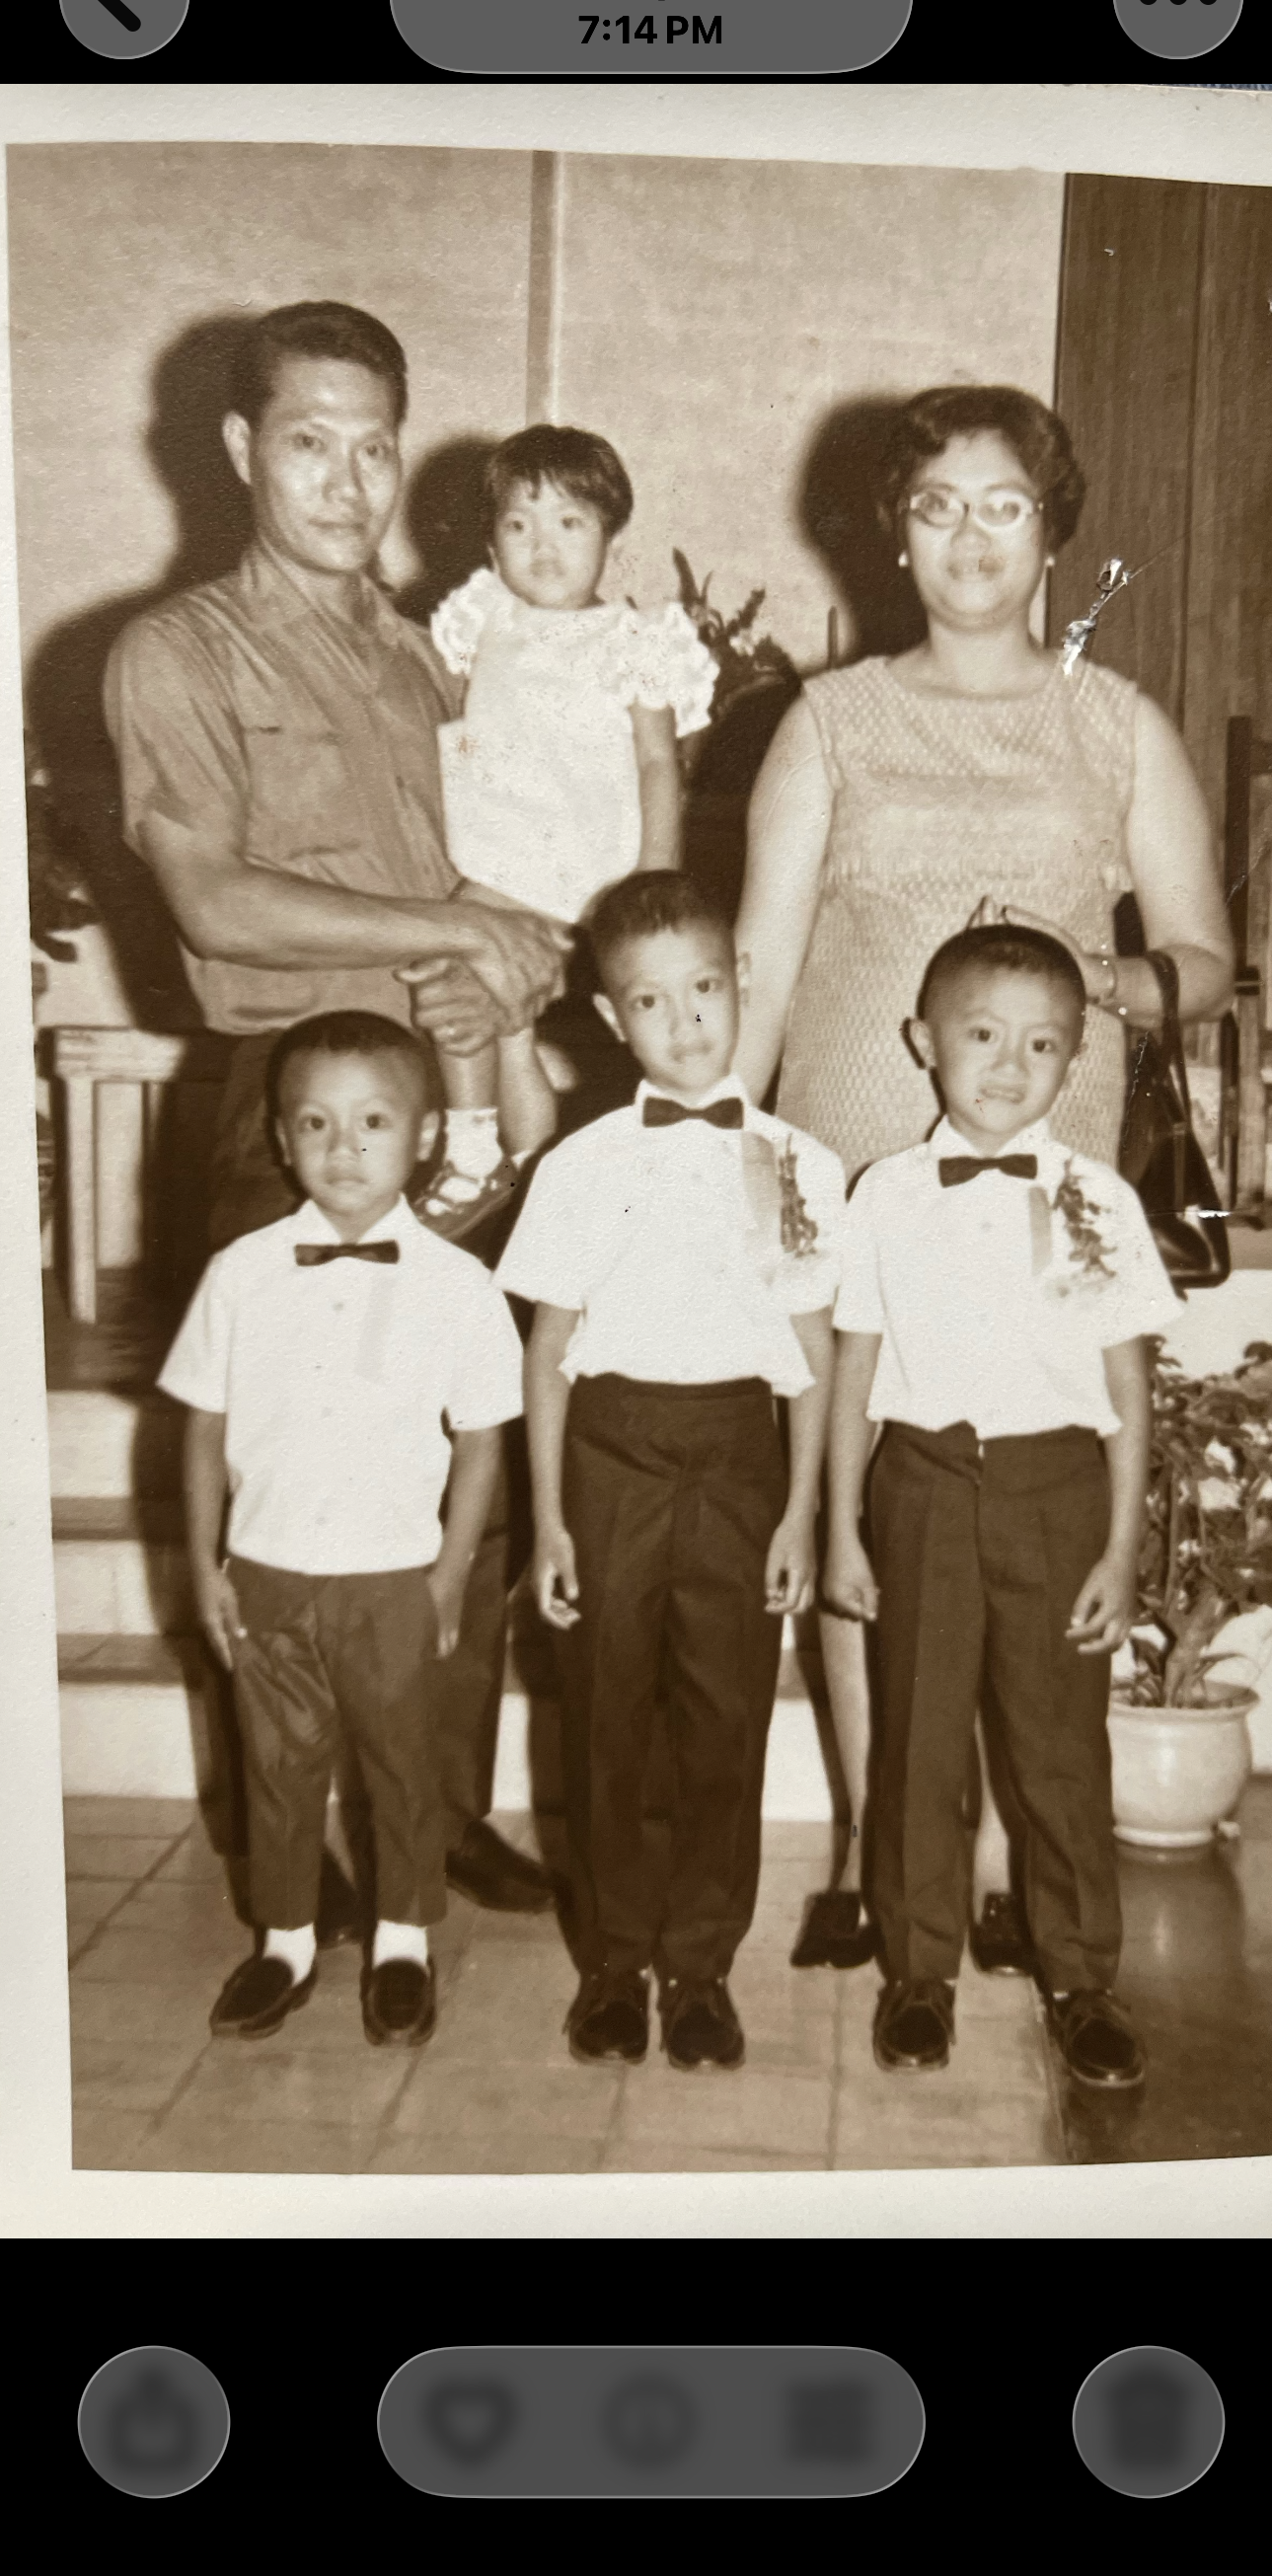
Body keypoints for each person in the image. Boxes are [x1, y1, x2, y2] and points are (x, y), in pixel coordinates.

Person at [734, 384, 1235, 1972]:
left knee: (1024, 1520)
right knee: (869, 1510)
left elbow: (1209, 960)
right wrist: (716, 1149)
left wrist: (1098, 984)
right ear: (895, 532)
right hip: (846, 1171)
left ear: (1052, 530)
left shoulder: (1118, 723)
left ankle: (1010, 1870)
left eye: (1003, 504)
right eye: (937, 505)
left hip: (1043, 1189)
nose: (969, 535)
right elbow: (760, 967)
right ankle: (878, 1859)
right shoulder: (828, 723)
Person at [104, 299, 566, 1921]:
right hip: (287, 1107)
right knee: (292, 1483)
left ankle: (437, 1811)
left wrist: (508, 976)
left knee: (461, 1465)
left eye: (377, 448)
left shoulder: (430, 654)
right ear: (243, 449)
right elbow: (217, 902)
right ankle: (289, 1844)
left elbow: (486, 872)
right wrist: (453, 930)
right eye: (312, 443)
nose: (350, 481)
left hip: (449, 1090)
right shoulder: (176, 651)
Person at [495, 871, 845, 2071]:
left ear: (741, 981)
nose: (686, 1021)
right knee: (604, 1715)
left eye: (703, 988)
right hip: (610, 1453)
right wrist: (549, 1520)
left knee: (724, 1717)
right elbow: (546, 1351)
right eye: (651, 1001)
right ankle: (612, 1961)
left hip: (742, 1457)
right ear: (610, 1019)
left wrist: (799, 1513)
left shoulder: (799, 1164)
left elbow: (812, 1353)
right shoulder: (580, 1164)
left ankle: (699, 1966)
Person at [824, 924, 1180, 2087]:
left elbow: (1127, 1388)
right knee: (916, 1745)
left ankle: (1080, 1982)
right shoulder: (882, 1194)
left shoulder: (1094, 1199)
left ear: (1075, 1059)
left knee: (1059, 1751)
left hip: (1055, 1493)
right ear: (922, 1041)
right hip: (920, 1486)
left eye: (1042, 1044)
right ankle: (918, 1974)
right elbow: (854, 1367)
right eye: (982, 1035)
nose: (1010, 1066)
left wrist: (1120, 1548)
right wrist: (840, 1527)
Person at [158, 1013, 525, 2045]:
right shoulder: (239, 1273)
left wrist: (449, 1578)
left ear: (428, 1135)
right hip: (267, 1570)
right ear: (280, 1139)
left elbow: (484, 1444)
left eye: (373, 1121)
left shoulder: (459, 1287)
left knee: (403, 1765)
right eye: (315, 1123)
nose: (344, 1147)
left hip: (392, 1576)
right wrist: (205, 1565)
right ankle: (283, 1944)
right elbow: (202, 1427)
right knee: (278, 1770)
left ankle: (402, 1944)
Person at [422, 424, 717, 1231]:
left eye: (569, 522)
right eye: (519, 525)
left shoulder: (634, 639)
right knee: (466, 980)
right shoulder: (483, 619)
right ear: (491, 545)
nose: (542, 545)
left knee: (554, 1000)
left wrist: (654, 877)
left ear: (611, 542)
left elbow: (658, 763)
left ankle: (549, 1167)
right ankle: (483, 1151)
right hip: (500, 860)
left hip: (593, 869)